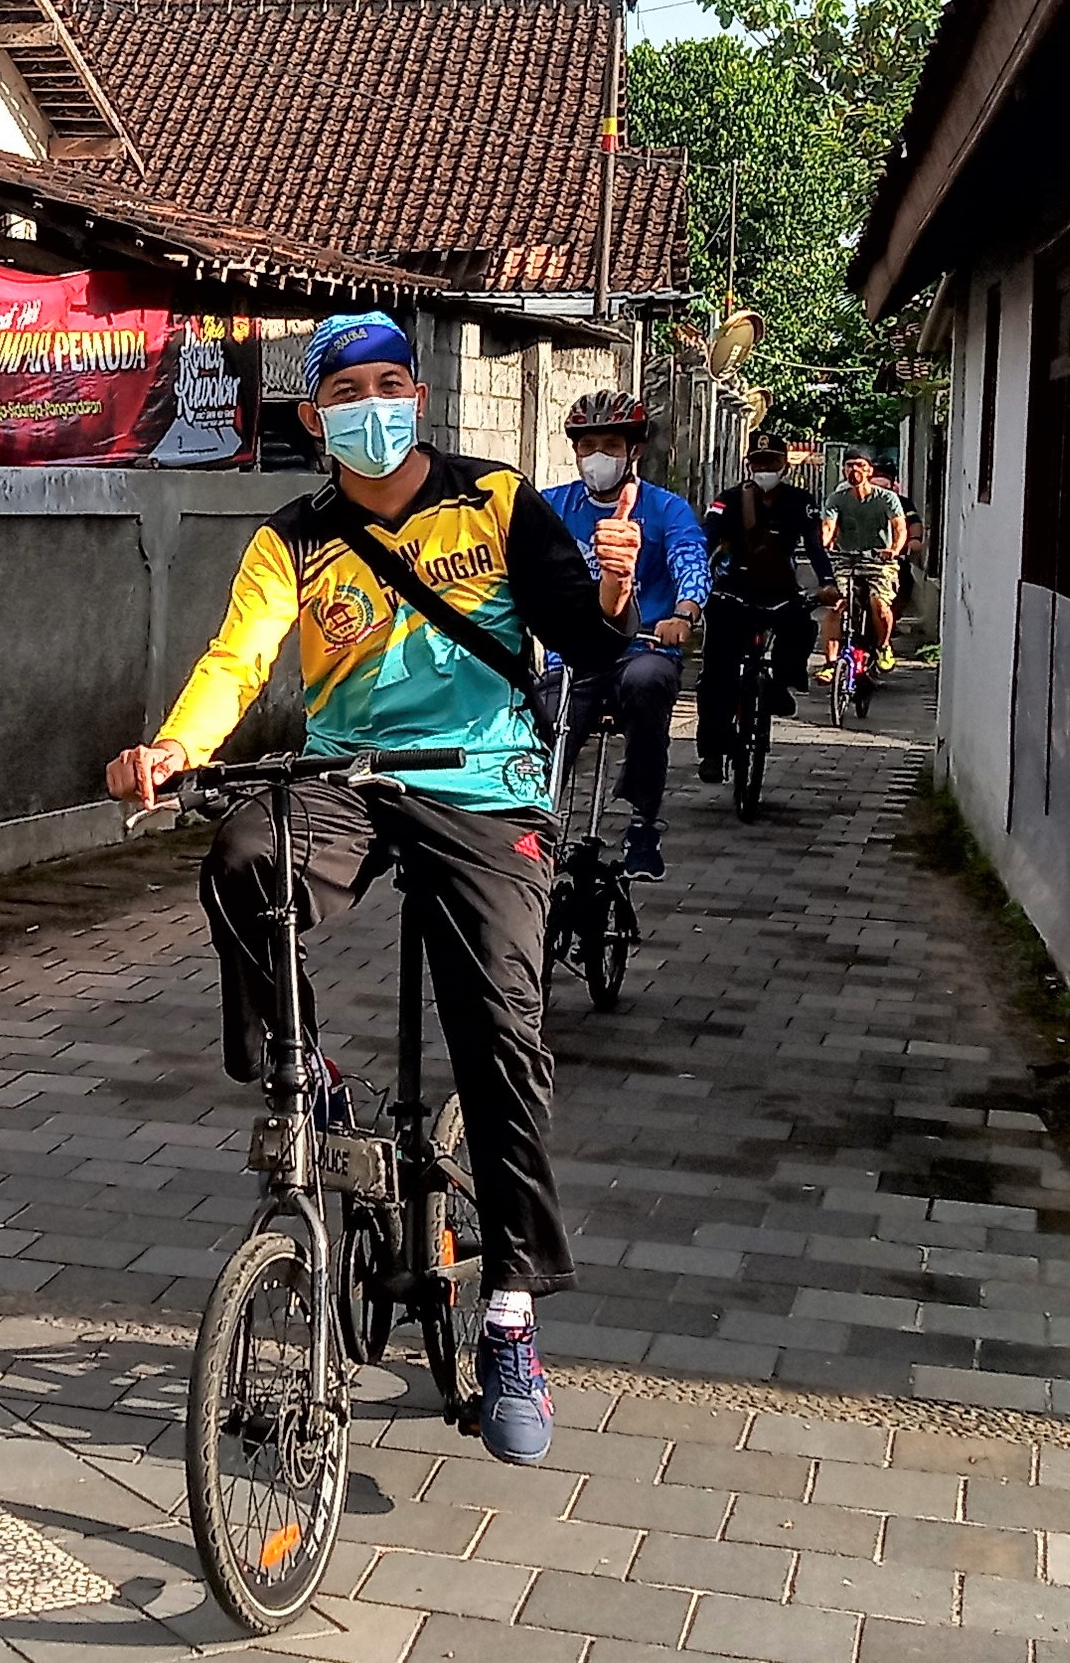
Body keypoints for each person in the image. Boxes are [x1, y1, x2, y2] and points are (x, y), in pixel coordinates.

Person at [105, 312, 639, 1469]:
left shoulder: (496, 501)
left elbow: (579, 646)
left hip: (482, 787)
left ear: (423, 399)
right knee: (245, 856)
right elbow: (238, 661)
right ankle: (308, 1073)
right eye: (347, 389)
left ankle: (508, 1313)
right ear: (314, 417)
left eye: (392, 381)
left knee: (501, 1029)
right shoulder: (291, 538)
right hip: (350, 778)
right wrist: (174, 747)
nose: (372, 402)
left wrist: (607, 595)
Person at [540, 389, 709, 882]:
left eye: (610, 445)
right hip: (572, 655)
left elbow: (691, 562)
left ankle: (641, 821)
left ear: (634, 449)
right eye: (586, 446)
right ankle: (534, 825)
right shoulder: (550, 507)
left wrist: (684, 612)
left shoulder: (666, 510)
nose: (597, 458)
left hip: (643, 649)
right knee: (539, 715)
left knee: (647, 684)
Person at [696, 434, 835, 780]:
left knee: (802, 627)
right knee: (716, 675)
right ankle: (712, 750)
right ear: (749, 466)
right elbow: (704, 541)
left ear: (784, 466)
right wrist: (695, 582)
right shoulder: (727, 502)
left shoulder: (800, 502)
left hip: (779, 590)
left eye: (771, 463)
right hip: (732, 591)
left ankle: (781, 685)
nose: (764, 470)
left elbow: (815, 547)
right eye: (758, 464)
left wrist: (828, 582)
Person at [820, 449, 909, 675]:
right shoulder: (837, 498)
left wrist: (894, 550)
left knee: (878, 603)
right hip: (846, 561)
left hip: (879, 562)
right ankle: (830, 663)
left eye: (859, 465)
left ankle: (883, 646)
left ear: (869, 470)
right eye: (849, 465)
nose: (854, 470)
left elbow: (900, 527)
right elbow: (828, 526)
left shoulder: (886, 498)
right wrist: (825, 542)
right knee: (837, 604)